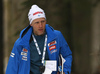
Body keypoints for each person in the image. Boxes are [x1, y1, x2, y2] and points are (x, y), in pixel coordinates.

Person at [6, 5, 72, 74]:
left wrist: (64, 71)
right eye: (37, 22)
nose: (40, 25)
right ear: (31, 24)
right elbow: (12, 67)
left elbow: (67, 55)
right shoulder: (21, 43)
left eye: (42, 21)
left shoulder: (56, 36)